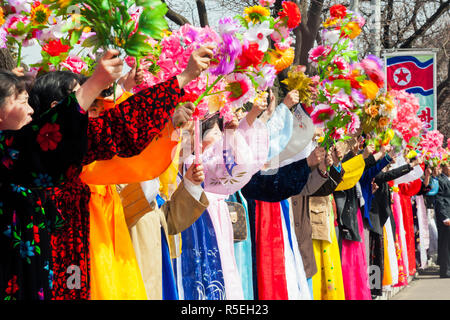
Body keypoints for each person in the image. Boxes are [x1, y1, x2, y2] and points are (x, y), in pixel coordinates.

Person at [0, 49, 123, 300]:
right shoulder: (13, 152)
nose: (31, 110)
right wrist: (96, 82)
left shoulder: (24, 155)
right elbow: (40, 141)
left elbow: (113, 131)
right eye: (22, 102)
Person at [434, 162, 450, 278]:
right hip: (446, 217)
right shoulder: (440, 180)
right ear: (443, 167)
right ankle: (445, 270)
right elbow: (439, 199)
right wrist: (445, 217)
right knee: (445, 244)